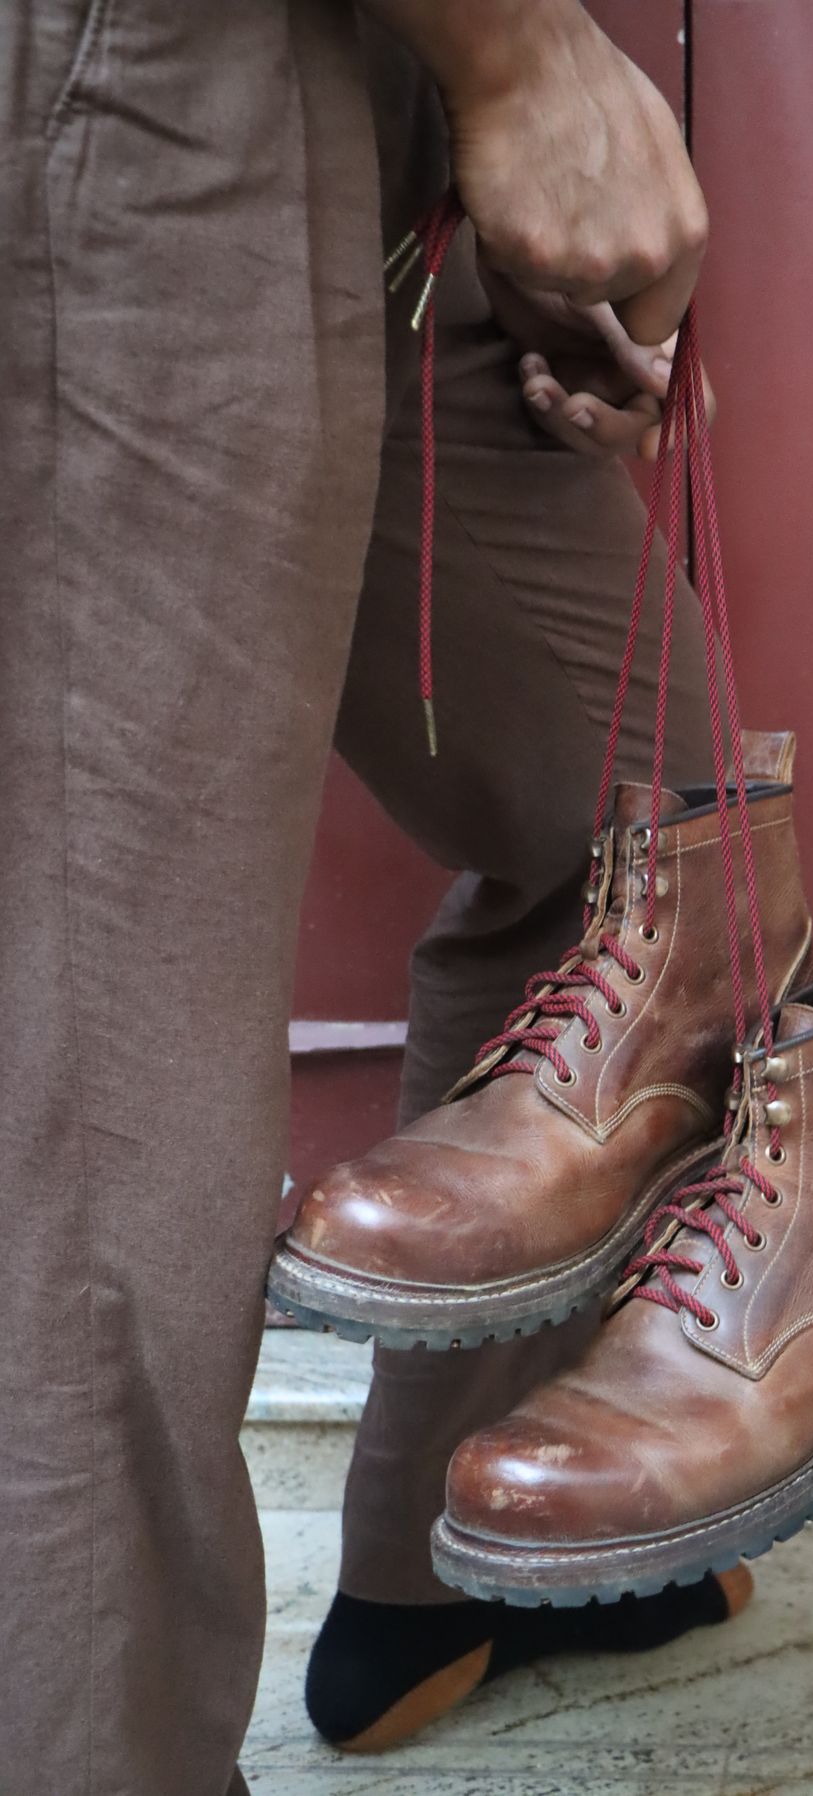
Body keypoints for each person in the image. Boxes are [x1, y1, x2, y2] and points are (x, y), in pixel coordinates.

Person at [0, 1, 732, 1790]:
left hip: (377, 93)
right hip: (161, 81)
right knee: (110, 1112)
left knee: (649, 818)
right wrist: (521, 60)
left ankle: (449, 1558)